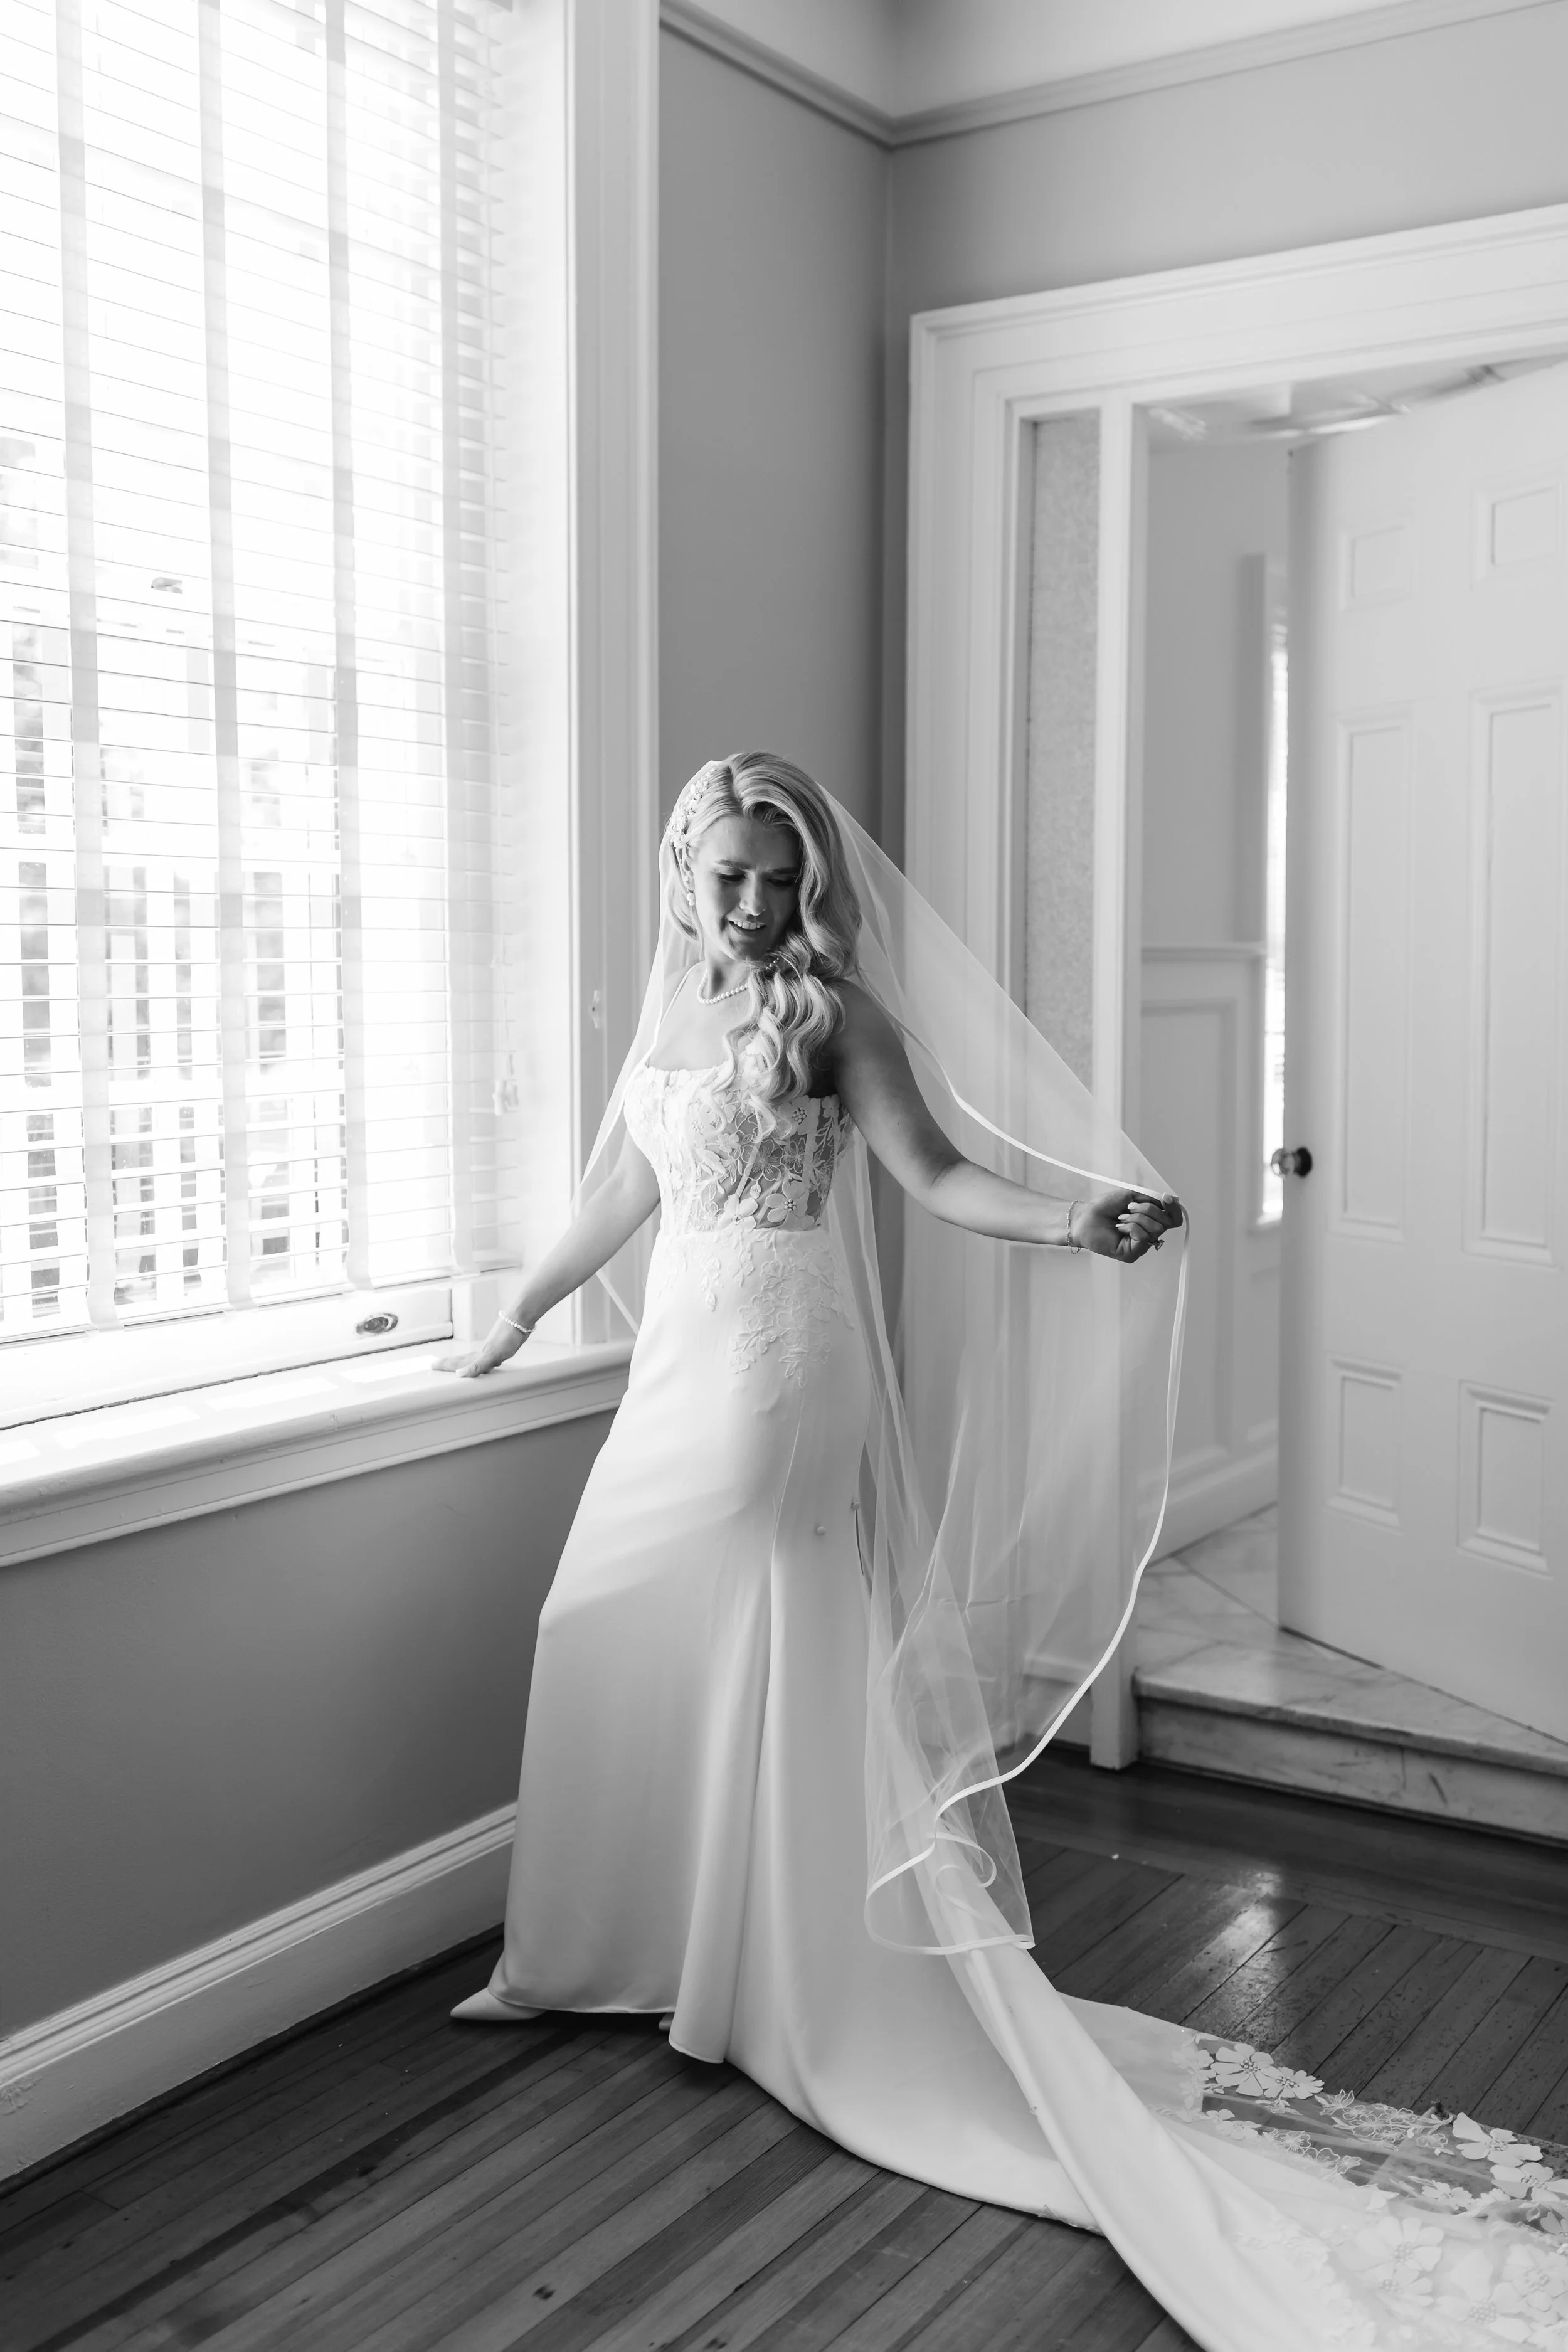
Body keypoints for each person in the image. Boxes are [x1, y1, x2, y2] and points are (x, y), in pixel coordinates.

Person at [440, 756, 1567, 2352]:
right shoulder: (675, 1008)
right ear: (681, 869)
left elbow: (939, 1172)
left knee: (749, 1624)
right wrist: (513, 1310)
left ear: (809, 881)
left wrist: (1074, 1218)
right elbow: (620, 1184)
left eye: (780, 878)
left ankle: (764, 1970)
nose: (757, 904)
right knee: (607, 1625)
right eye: (730, 876)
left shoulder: (829, 1017)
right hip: (676, 1364)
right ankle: (609, 1950)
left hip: (777, 1371)